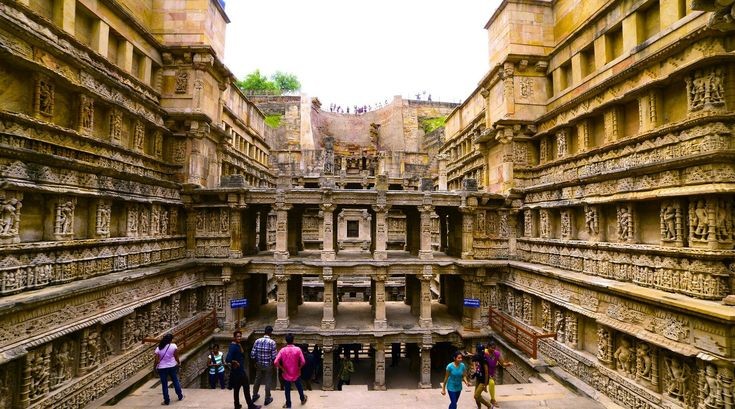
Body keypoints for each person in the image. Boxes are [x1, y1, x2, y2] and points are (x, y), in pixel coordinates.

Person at [226, 330, 261, 409]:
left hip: (237, 371)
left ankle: (237, 405)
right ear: (234, 337)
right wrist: (235, 362)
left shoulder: (237, 345)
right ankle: (250, 405)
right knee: (246, 387)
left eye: (240, 336)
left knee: (237, 389)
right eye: (237, 336)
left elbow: (242, 353)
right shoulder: (233, 347)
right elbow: (227, 359)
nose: (239, 338)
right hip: (239, 372)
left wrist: (239, 344)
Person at [273, 333, 308, 409]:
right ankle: (302, 399)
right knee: (299, 386)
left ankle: (288, 405)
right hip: (296, 372)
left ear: (286, 341)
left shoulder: (282, 350)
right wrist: (299, 368)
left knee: (287, 389)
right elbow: (303, 362)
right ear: (293, 340)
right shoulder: (298, 349)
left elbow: (275, 362)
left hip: (286, 373)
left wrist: (282, 368)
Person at [154, 333, 183, 405]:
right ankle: (180, 395)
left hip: (162, 368)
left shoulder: (159, 348)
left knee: (164, 384)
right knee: (175, 380)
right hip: (172, 366)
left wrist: (154, 368)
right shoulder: (173, 346)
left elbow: (156, 360)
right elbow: (176, 356)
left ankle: (166, 400)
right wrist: (179, 363)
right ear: (170, 340)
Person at [251, 326, 277, 406]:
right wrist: (273, 365)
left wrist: (255, 362)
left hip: (259, 363)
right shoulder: (272, 342)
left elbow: (252, 354)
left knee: (257, 379)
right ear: (271, 333)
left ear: (264, 332)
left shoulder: (257, 341)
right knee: (268, 380)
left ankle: (255, 395)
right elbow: (274, 357)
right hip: (268, 364)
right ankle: (267, 398)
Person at [485, 341, 511, 407]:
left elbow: (502, 363)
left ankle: (492, 399)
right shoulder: (484, 352)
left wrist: (507, 364)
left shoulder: (497, 354)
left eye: (494, 348)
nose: (493, 349)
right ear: (488, 347)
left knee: (492, 383)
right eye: (491, 348)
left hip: (491, 373)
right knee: (479, 387)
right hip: (483, 373)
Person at [471, 344, 493, 409]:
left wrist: (485, 385)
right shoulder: (479, 356)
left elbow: (486, 373)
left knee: (476, 396)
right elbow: (474, 359)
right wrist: (475, 369)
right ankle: (479, 407)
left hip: (483, 380)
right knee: (476, 396)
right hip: (479, 378)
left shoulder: (484, 359)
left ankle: (489, 406)